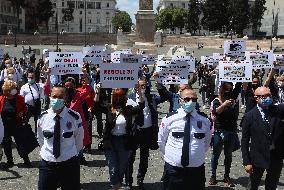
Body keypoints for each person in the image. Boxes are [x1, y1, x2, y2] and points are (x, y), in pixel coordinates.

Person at [158, 89, 211, 190]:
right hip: (174, 170)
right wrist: (172, 156)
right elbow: (161, 141)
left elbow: (207, 142)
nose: (190, 102)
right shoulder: (170, 118)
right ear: (180, 100)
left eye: (194, 99)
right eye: (187, 99)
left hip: (196, 170)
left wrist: (195, 155)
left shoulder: (204, 120)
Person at [95, 87, 144, 190]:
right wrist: (98, 91)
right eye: (117, 97)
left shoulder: (129, 109)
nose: (119, 99)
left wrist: (139, 92)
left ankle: (118, 184)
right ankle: (115, 186)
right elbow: (97, 105)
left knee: (122, 167)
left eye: (121, 96)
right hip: (110, 141)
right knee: (113, 168)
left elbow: (141, 106)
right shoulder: (109, 109)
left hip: (124, 142)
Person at [37, 85, 84, 190]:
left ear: (66, 99)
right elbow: (40, 139)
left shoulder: (74, 117)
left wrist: (69, 154)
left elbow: (79, 140)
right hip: (48, 164)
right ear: (49, 96)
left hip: (69, 164)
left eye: (60, 97)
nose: (56, 100)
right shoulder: (42, 117)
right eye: (54, 96)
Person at [241, 87, 284, 190]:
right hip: (257, 157)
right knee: (253, 185)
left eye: (269, 95)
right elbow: (245, 141)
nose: (267, 98)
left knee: (272, 185)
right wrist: (247, 162)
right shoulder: (249, 116)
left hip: (275, 157)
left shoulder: (278, 110)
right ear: (257, 98)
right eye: (264, 96)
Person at [126, 78, 163, 189]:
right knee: (130, 157)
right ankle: (129, 181)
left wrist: (159, 85)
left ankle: (140, 179)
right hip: (135, 131)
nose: (142, 88)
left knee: (144, 157)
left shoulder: (152, 97)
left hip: (147, 131)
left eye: (144, 86)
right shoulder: (130, 97)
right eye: (140, 86)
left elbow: (164, 97)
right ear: (135, 87)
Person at [209, 82, 241, 187]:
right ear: (222, 90)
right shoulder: (216, 100)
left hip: (231, 131)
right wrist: (224, 104)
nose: (229, 92)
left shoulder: (233, 98)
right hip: (219, 131)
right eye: (227, 90)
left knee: (228, 155)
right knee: (216, 155)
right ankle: (213, 176)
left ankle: (226, 176)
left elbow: (238, 86)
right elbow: (215, 112)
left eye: (230, 90)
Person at [0, 80, 31, 168]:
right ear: (7, 90)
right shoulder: (1, 99)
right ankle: (9, 161)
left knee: (20, 142)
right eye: (13, 88)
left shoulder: (19, 98)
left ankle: (26, 160)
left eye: (15, 87)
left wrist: (22, 112)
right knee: (6, 143)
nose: (15, 89)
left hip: (16, 124)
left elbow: (25, 108)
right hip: (4, 125)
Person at [20, 68, 44, 133]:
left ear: (35, 77)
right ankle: (24, 133)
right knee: (25, 121)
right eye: (29, 77)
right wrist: (21, 109)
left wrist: (48, 75)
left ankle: (37, 134)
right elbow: (21, 99)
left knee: (38, 121)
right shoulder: (24, 87)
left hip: (37, 106)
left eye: (32, 77)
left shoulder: (39, 85)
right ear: (27, 77)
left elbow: (47, 86)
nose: (31, 79)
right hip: (27, 107)